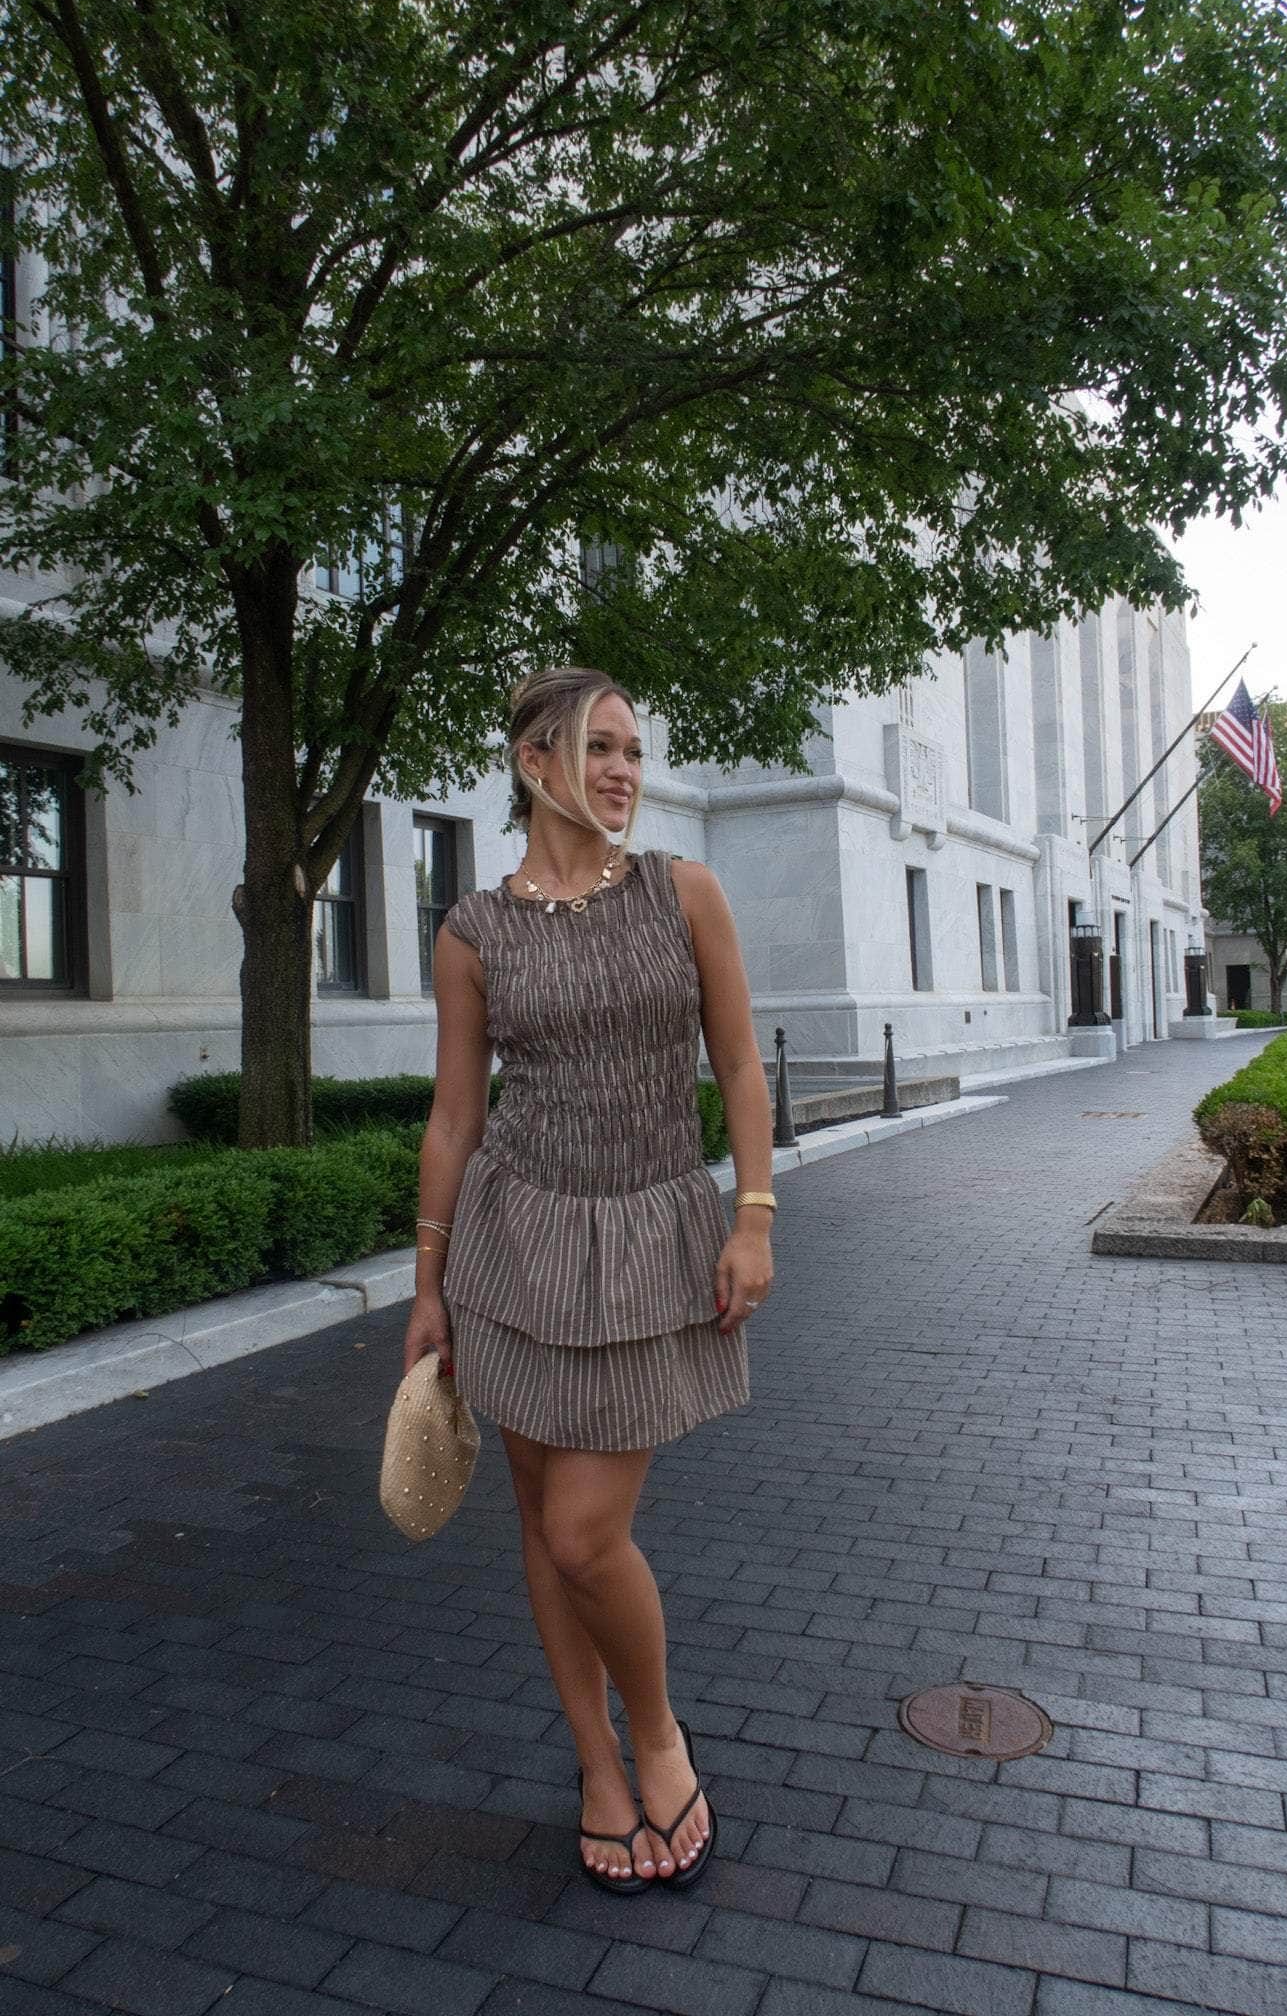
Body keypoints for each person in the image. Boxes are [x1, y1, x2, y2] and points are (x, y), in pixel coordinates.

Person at [403, 666, 775, 1894]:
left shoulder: (684, 891)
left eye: (631, 748)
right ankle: (597, 1766)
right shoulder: (473, 929)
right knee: (538, 1530)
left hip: (653, 1238)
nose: (622, 769)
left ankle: (656, 1730)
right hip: (515, 1250)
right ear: (532, 761)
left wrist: (754, 1216)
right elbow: (457, 1118)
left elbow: (736, 1064)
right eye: (597, 746)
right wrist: (428, 1283)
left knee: (583, 1530)